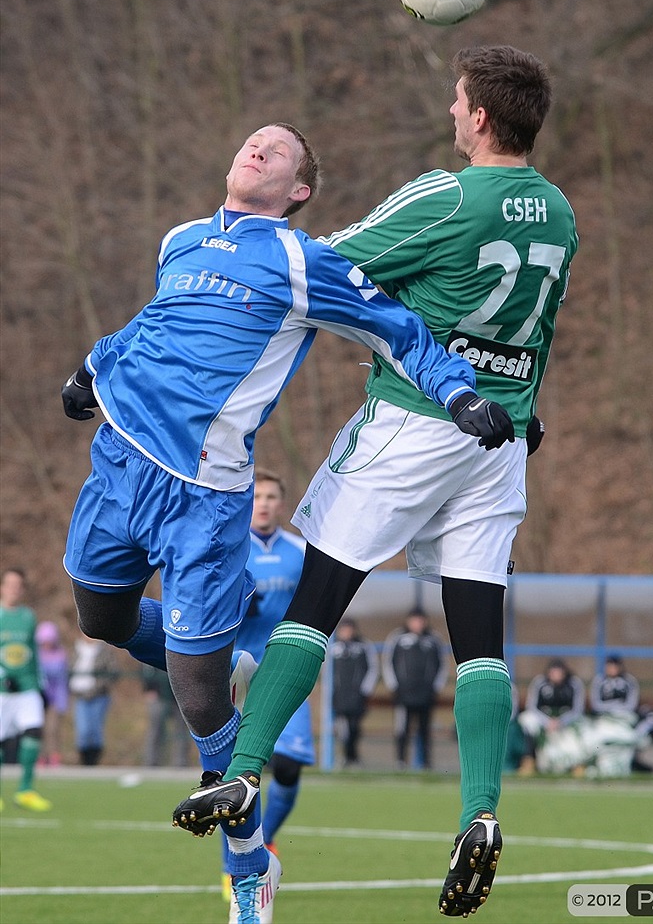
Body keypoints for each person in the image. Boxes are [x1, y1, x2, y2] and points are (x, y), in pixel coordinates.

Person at [60, 122, 510, 923]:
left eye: (279, 150)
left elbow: (396, 326)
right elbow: (154, 321)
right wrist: (94, 366)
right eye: (253, 140)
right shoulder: (181, 239)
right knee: (100, 617)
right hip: (118, 465)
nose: (258, 147)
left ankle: (250, 868)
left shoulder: (302, 260)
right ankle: (220, 649)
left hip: (203, 498)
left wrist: (457, 391)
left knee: (201, 699)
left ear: (299, 190)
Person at [177, 46, 579, 918]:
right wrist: (524, 403)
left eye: (458, 100)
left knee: (316, 601)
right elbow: (537, 329)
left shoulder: (446, 195)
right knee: (480, 636)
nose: (451, 111)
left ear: (479, 116)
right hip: (499, 440)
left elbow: (323, 266)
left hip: (415, 421)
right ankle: (480, 811)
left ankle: (242, 771)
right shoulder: (559, 211)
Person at [220, 469, 315, 903]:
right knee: (235, 774)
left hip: (283, 670)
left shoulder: (301, 552)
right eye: (257, 496)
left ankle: (265, 837)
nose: (263, 503)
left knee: (289, 765)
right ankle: (234, 866)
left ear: (281, 503)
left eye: (271, 497)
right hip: (236, 671)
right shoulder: (229, 548)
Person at [0, 568, 52, 811]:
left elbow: (34, 655)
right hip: (2, 691)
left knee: (33, 733)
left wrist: (42, 686)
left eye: (18, 585)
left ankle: (25, 790)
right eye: (10, 584)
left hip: (28, 687)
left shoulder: (28, 617)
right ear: (2, 587)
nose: (14, 589)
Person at [382, 608, 447, 770]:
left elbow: (442, 665)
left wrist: (436, 687)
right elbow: (388, 662)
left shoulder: (434, 640)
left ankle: (426, 763)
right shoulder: (397, 638)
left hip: (426, 694)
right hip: (404, 694)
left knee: (425, 730)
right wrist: (394, 686)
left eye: (420, 620)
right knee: (402, 728)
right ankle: (401, 761)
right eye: (414, 620)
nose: (417, 623)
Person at [517, 657, 586, 774]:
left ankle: (578, 763)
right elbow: (531, 706)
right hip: (544, 719)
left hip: (566, 721)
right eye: (554, 672)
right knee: (526, 720)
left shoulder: (574, 683)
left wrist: (561, 721)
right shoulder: (540, 682)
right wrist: (547, 721)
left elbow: (578, 709)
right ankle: (529, 759)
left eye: (559, 672)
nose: (556, 675)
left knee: (583, 727)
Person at [330, 617, 378, 767]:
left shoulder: (364, 646)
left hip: (357, 695)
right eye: (344, 629)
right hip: (338, 695)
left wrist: (364, 689)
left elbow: (372, 668)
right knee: (341, 728)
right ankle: (344, 756)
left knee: (354, 727)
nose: (347, 632)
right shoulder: (332, 647)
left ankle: (353, 757)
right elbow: (326, 671)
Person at [70, 633, 118, 765]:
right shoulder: (76, 649)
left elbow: (112, 671)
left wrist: (100, 684)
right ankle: (84, 760)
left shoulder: (104, 651)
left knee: (95, 729)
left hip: (99, 695)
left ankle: (94, 761)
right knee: (83, 729)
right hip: (80, 695)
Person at [141, 665, 193, 768]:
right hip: (160, 696)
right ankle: (151, 761)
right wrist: (149, 688)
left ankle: (180, 762)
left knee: (181, 731)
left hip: (180, 698)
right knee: (155, 730)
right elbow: (146, 669)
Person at [35, 620, 71, 766]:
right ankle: (40, 756)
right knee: (39, 728)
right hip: (39, 697)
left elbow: (62, 680)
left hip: (55, 698)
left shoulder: (60, 655)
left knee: (52, 729)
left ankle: (54, 756)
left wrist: (62, 701)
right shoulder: (35, 655)